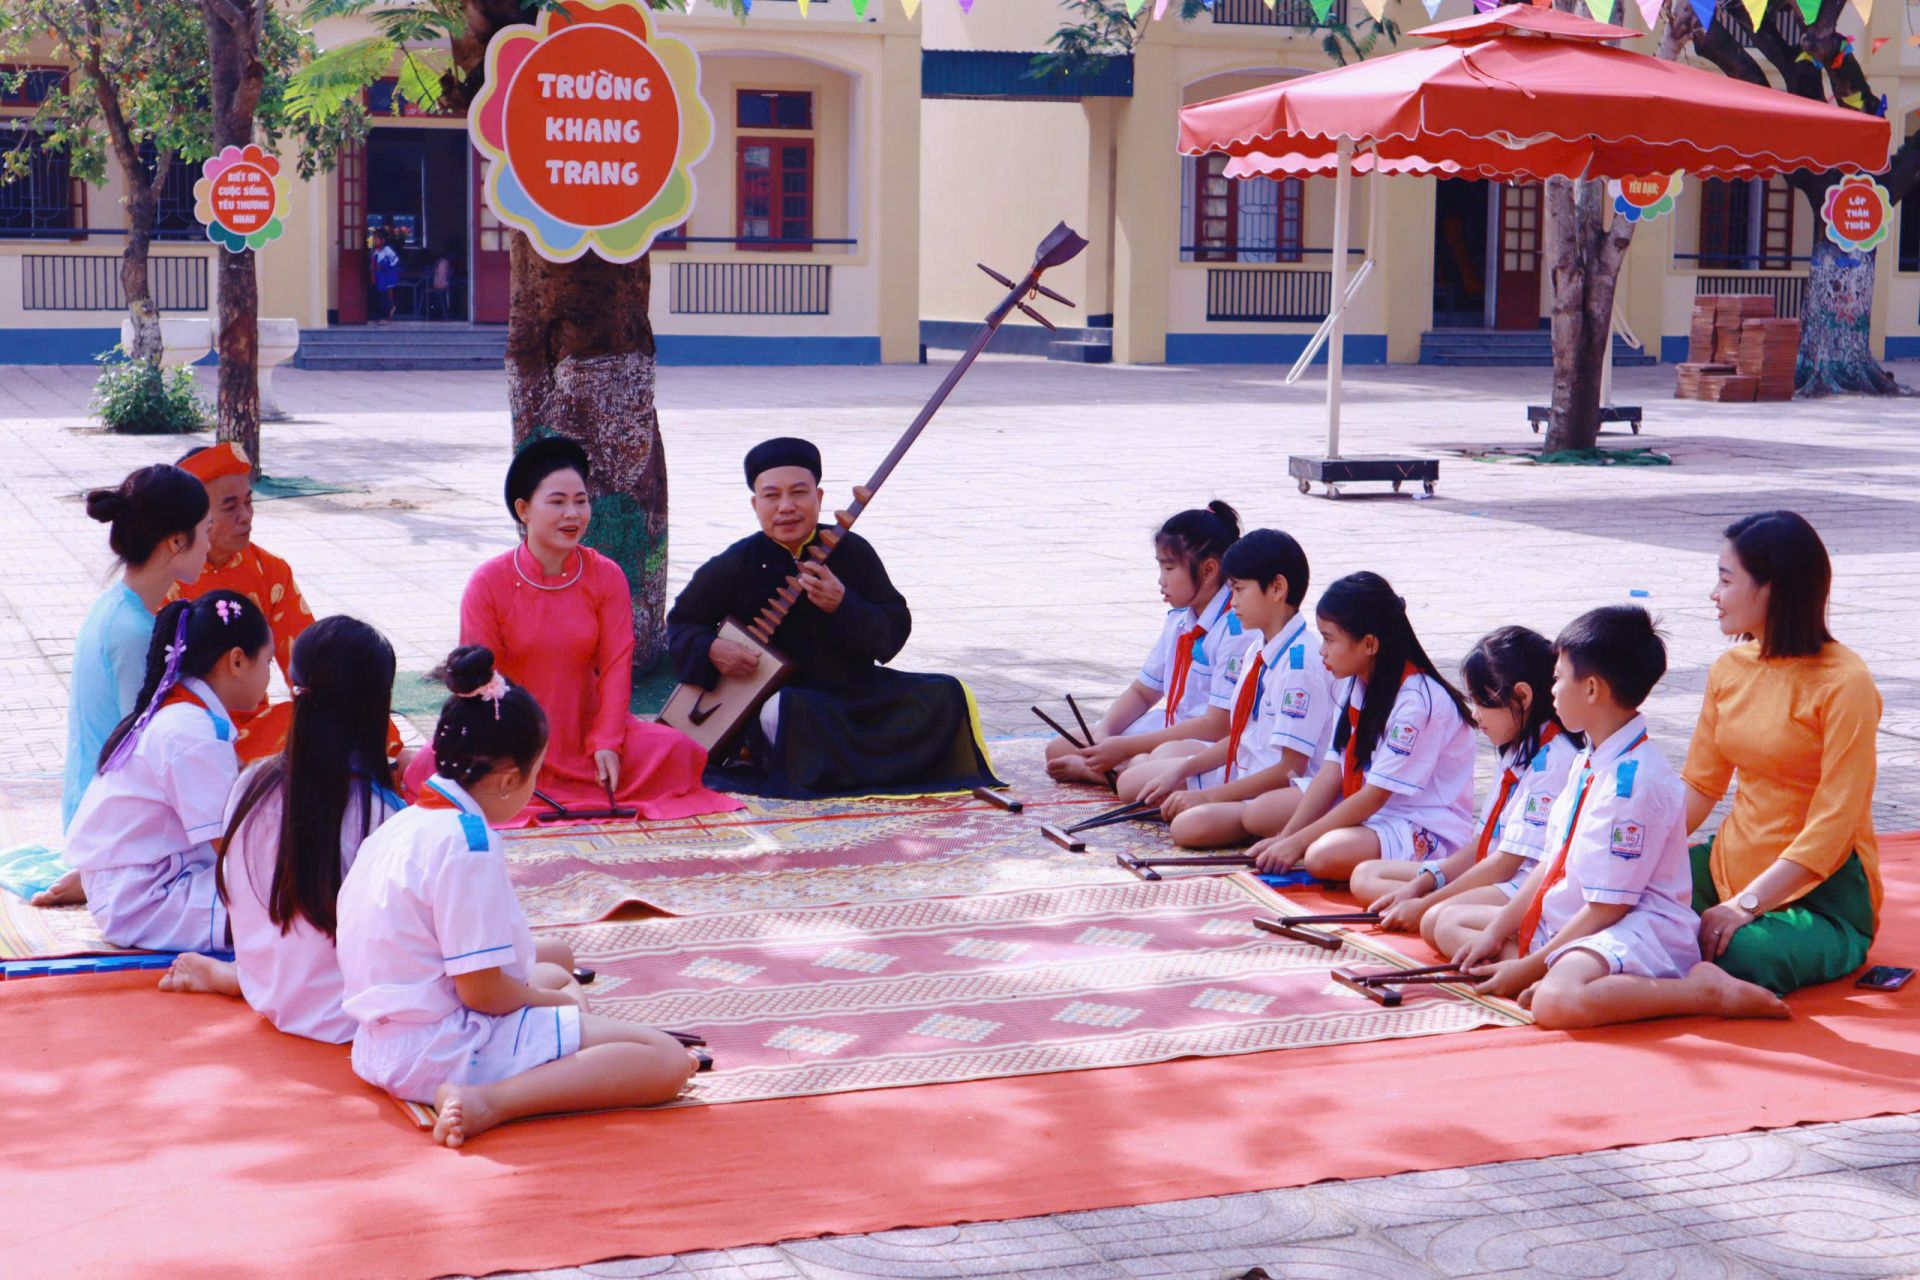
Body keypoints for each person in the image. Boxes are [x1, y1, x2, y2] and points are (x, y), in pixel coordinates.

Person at [338, 646, 698, 1147]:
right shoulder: (467, 841)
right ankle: (492, 1101)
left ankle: (551, 1047)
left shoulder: (404, 824)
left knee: (555, 973)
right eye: (536, 773)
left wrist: (548, 997)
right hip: (444, 1050)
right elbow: (482, 994)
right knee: (665, 1060)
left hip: (379, 1044)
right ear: (510, 779)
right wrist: (550, 1004)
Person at [1454, 606, 1789, 1027]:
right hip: (1579, 912)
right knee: (1451, 926)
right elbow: (1550, 862)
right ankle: (1580, 977)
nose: (1551, 690)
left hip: (1637, 924)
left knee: (1557, 1004)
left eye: (1558, 678)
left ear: (1592, 689)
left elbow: (1608, 909)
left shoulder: (1635, 783)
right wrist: (1497, 931)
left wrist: (1529, 966)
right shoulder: (1592, 758)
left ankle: (1700, 990)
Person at [403, 436, 737, 823]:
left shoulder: (605, 576)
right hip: (512, 731)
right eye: (558, 502)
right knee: (432, 767)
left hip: (585, 731)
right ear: (524, 510)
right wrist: (514, 747)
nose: (573, 514)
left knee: (678, 752)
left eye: (581, 501)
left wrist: (607, 741)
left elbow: (615, 664)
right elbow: (480, 683)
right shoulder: (489, 581)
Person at [666, 436, 1001, 799]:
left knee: (949, 692)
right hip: (796, 703)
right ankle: (865, 765)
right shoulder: (735, 563)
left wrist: (844, 605)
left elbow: (893, 630)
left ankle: (839, 766)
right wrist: (712, 649)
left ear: (819, 498)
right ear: (755, 504)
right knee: (788, 712)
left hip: (857, 690)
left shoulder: (852, 551)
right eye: (772, 496)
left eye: (798, 493)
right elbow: (682, 625)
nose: (786, 507)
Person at [158, 618, 405, 1044]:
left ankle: (243, 976)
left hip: (272, 988)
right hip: (353, 1015)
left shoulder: (250, 784)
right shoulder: (377, 814)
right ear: (375, 707)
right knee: (541, 966)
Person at [1683, 512, 1882, 995]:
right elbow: (1700, 785)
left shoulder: (1845, 683)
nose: (1714, 593)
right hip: (1727, 865)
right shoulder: (1729, 669)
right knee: (1615, 896)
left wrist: (1746, 905)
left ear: (1772, 589)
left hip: (1824, 897)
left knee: (1742, 953)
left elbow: (1833, 825)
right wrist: (1631, 848)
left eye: (1726, 580)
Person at [63, 591, 273, 952]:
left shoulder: (183, 713)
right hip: (147, 897)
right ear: (237, 662)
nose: (270, 676)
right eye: (267, 662)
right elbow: (232, 847)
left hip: (139, 883)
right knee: (297, 910)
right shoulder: (188, 731)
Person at [1361, 626, 1581, 943]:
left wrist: (1427, 903)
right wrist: (1422, 884)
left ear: (1522, 696)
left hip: (1520, 884)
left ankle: (1534, 956)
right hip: (1490, 870)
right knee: (1366, 875)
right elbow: (1481, 845)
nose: (1476, 716)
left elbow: (1507, 863)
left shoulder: (1555, 759)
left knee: (1438, 921)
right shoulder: (1518, 747)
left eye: (1483, 702)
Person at [1250, 572, 1475, 881]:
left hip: (1419, 822)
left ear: (1368, 644)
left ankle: (1437, 871)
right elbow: (1333, 771)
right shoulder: (1356, 679)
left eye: (1329, 639)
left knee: (1320, 855)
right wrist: (1286, 837)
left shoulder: (1417, 703)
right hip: (1372, 807)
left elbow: (1374, 796)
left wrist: (1298, 843)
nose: (1322, 650)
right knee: (1262, 813)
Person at [1119, 529, 1337, 848]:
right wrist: (1182, 770)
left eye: (1239, 590)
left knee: (1187, 828)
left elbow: (1289, 769)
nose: (1232, 602)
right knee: (1135, 782)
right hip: (1243, 770)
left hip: (1278, 789)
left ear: (1277, 588)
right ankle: (1219, 805)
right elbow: (1240, 736)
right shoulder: (1257, 648)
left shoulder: (1299, 666)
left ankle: (1256, 823)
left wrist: (1208, 796)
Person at [1046, 503, 1251, 788]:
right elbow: (1143, 692)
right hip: (1168, 729)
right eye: (1160, 566)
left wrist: (1128, 747)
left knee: (1141, 770)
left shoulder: (1236, 627)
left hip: (1202, 742)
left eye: (1169, 567)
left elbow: (1218, 727)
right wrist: (1105, 733)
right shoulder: (1181, 617)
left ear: (1209, 570)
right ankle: (1119, 770)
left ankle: (1116, 774)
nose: (1161, 579)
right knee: (1058, 749)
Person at [60, 464, 212, 835]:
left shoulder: (119, 607)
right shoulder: (134, 631)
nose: (209, 544)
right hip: (105, 830)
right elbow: (148, 755)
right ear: (177, 541)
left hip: (95, 811)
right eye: (206, 531)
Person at [167, 442, 336, 765]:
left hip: (255, 733)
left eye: (249, 502)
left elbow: (312, 667)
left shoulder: (270, 571)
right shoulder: (164, 578)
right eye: (230, 507)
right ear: (192, 517)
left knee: (324, 716)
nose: (246, 517)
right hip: (185, 734)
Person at [371, 230, 400, 322]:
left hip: (386, 276)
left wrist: (387, 266)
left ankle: (386, 315)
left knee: (384, 295)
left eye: (376, 239)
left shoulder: (386, 249)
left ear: (382, 240)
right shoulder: (375, 250)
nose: (374, 240)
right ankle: (382, 314)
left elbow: (395, 259)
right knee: (378, 295)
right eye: (374, 238)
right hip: (377, 275)